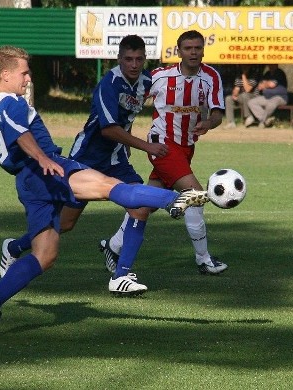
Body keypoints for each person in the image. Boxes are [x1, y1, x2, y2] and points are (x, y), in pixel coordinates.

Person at [0, 45, 208, 336]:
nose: (28, 78)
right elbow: (20, 133)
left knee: (44, 255)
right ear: (5, 75)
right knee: (110, 187)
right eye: (24, 72)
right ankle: (177, 198)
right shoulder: (13, 104)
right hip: (50, 170)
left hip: (27, 183)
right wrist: (42, 157)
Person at [0, 35, 167, 295]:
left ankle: (121, 276)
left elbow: (140, 109)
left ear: (145, 59)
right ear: (119, 59)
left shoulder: (146, 81)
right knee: (65, 224)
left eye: (139, 59)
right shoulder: (108, 84)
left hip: (117, 159)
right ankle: (14, 248)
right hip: (86, 158)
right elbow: (109, 129)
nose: (134, 64)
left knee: (140, 208)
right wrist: (147, 146)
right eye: (128, 59)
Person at [101, 30, 228, 275]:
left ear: (203, 50)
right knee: (194, 197)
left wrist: (209, 123)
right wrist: (123, 134)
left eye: (197, 48)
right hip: (162, 145)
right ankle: (203, 259)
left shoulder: (211, 76)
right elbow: (131, 102)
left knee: (145, 204)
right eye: (188, 48)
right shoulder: (159, 76)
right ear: (178, 51)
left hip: (187, 146)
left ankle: (113, 246)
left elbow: (217, 114)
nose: (193, 52)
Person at [245, 64, 288, 128]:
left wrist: (265, 84)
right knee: (251, 102)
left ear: (276, 64)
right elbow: (260, 86)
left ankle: (262, 122)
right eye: (269, 64)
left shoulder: (279, 73)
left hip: (280, 97)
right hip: (267, 96)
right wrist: (266, 84)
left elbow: (272, 84)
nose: (270, 65)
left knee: (271, 104)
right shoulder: (267, 73)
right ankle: (266, 120)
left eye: (272, 64)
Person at [224, 64, 258, 129]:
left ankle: (248, 117)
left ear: (249, 66)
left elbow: (247, 89)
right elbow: (236, 88)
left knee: (244, 95)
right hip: (242, 96)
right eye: (242, 65)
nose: (244, 67)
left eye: (246, 65)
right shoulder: (238, 76)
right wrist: (234, 94)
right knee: (228, 98)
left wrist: (243, 75)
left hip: (253, 97)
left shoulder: (254, 75)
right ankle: (231, 122)